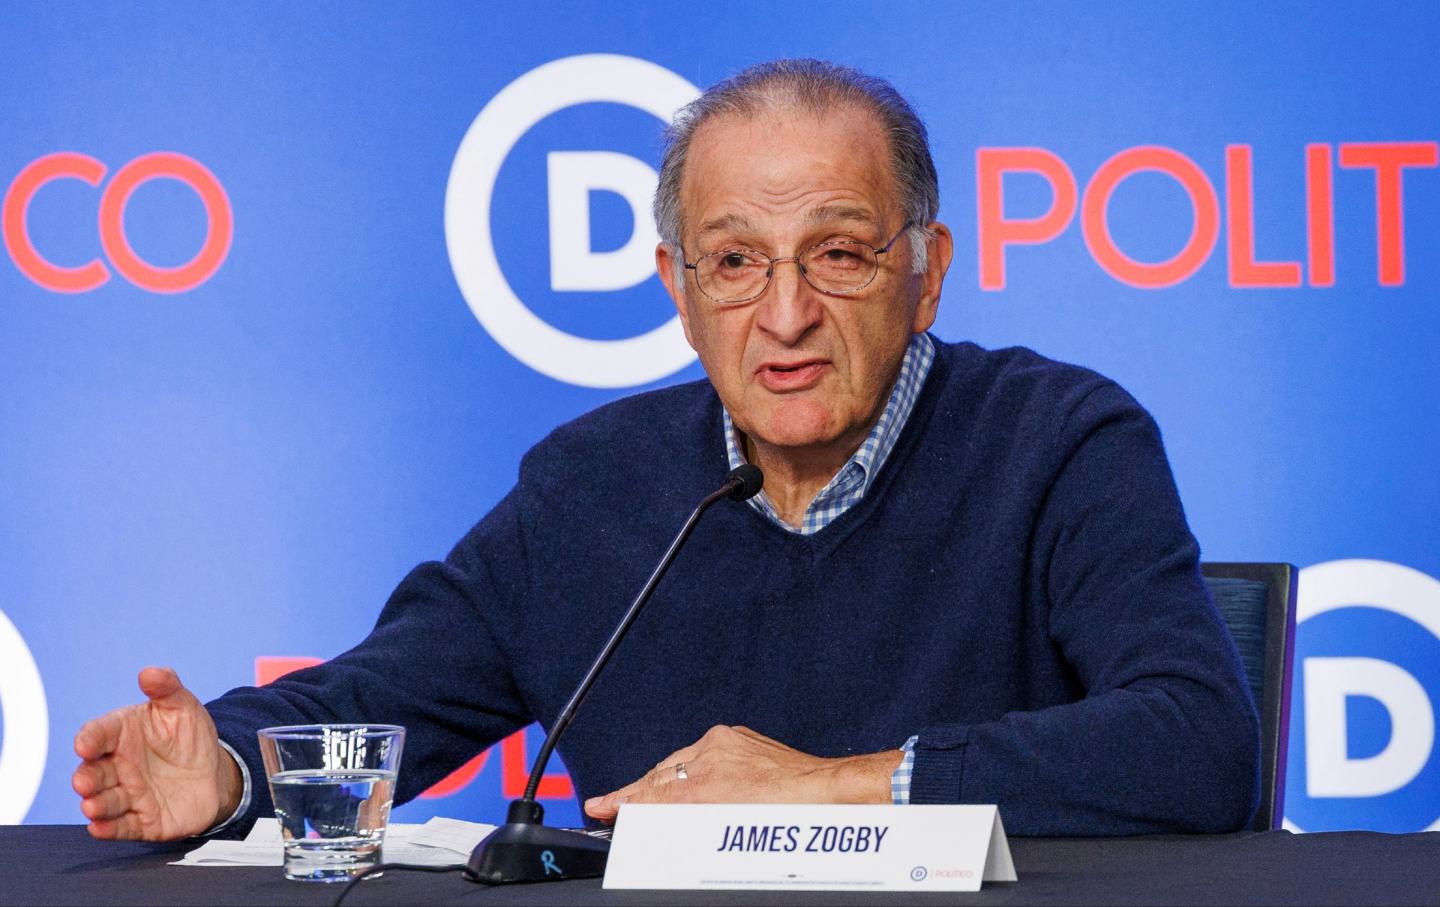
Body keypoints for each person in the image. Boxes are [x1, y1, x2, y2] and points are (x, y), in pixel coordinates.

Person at [72, 59, 1259, 841]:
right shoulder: (592, 485)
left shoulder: (1058, 441)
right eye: (736, 262)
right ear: (678, 292)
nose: (783, 314)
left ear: (926, 271)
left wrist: (831, 790)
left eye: (838, 253)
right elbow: (386, 697)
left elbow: (1200, 744)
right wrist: (225, 766)